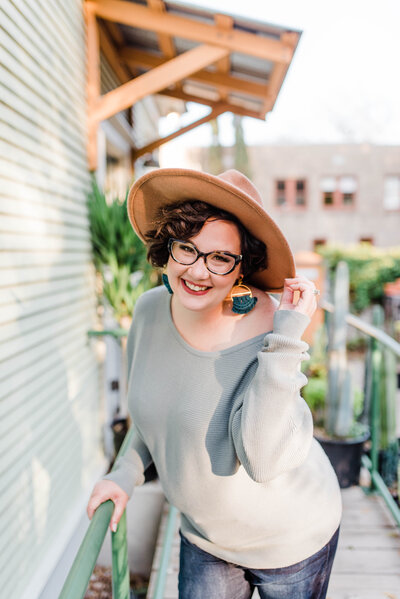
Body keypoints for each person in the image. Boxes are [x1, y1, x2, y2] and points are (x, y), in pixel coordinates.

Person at [87, 168, 342, 599]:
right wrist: (124, 473)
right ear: (166, 249)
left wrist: (286, 339)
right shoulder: (149, 311)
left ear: (243, 266)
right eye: (187, 248)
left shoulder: (268, 324)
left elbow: (263, 458)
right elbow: (153, 414)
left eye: (221, 257)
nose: (198, 271)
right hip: (205, 539)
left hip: (291, 538)